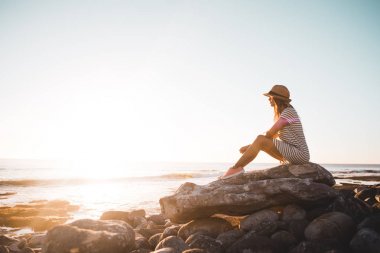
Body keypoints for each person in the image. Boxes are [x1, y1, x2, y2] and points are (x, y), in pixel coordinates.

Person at [220, 84, 310, 179]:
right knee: (261, 140)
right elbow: (272, 137)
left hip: (299, 153)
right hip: (294, 152)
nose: (268, 99)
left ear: (276, 99)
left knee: (260, 139)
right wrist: (252, 147)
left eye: (270, 97)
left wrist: (251, 146)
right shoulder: (287, 112)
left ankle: (236, 168)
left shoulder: (288, 112)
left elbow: (270, 134)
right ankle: (236, 169)